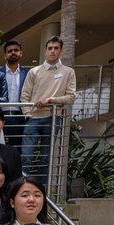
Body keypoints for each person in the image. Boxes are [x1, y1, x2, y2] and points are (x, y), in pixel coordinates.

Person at [20, 37, 76, 184]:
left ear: (61, 51)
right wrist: (27, 115)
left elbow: (70, 97)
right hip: (33, 119)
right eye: (50, 48)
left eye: (56, 48)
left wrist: (51, 100)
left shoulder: (68, 72)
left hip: (53, 118)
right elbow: (24, 96)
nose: (52, 51)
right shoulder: (34, 71)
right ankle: (23, 186)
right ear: (45, 51)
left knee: (46, 157)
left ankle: (42, 190)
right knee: (26, 155)